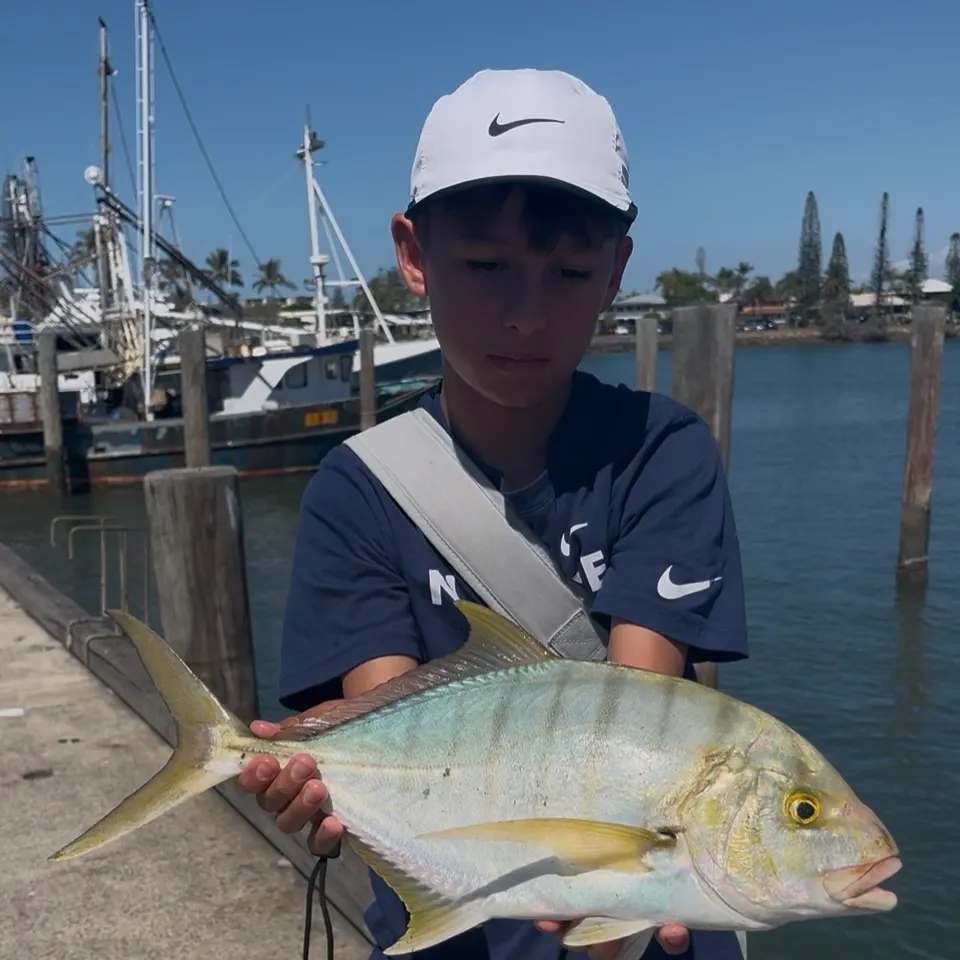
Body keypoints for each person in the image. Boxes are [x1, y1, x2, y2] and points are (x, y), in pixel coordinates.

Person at [237, 68, 749, 960]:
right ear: (413, 254)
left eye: (571, 271)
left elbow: (637, 711)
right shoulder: (358, 492)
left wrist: (606, 930)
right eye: (484, 266)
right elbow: (393, 729)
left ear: (616, 270)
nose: (525, 314)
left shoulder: (663, 452)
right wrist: (329, 787)